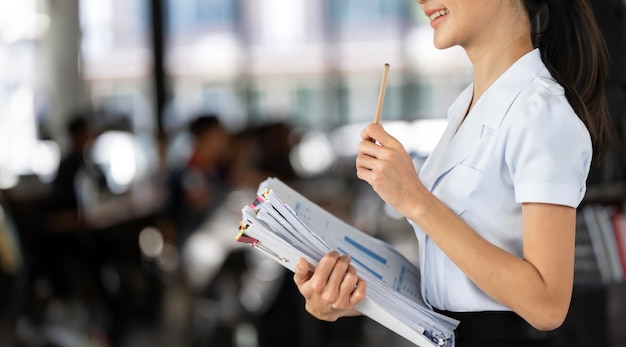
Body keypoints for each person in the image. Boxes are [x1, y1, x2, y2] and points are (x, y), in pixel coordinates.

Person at [294, 0, 613, 346]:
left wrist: (414, 199)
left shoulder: (542, 113)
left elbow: (547, 305)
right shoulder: (464, 109)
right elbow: (453, 290)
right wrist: (348, 296)